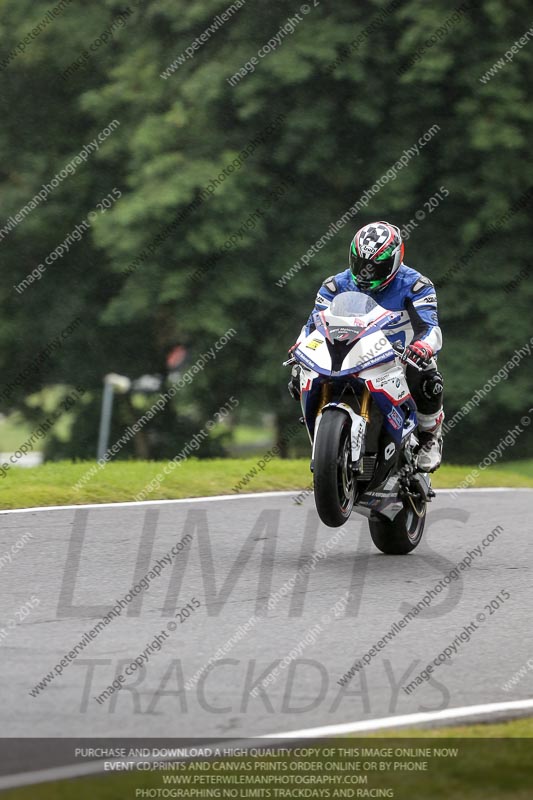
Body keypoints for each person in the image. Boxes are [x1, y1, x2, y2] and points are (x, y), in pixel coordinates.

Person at [288, 221, 444, 472]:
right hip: (348, 353)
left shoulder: (416, 285)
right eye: (361, 263)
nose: (367, 272)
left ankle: (429, 438)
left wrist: (423, 347)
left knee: (428, 377)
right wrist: (299, 346)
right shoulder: (334, 285)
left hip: (397, 357)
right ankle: (325, 441)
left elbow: (431, 328)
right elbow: (312, 325)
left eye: (376, 266)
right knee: (298, 372)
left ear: (395, 260)